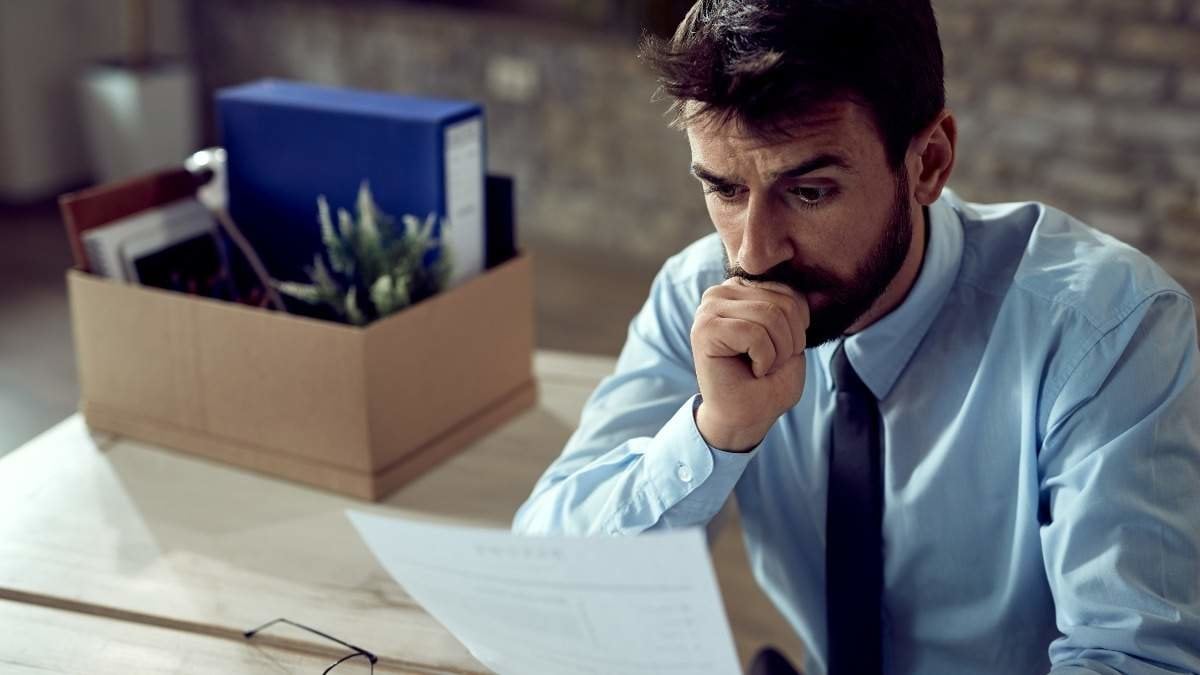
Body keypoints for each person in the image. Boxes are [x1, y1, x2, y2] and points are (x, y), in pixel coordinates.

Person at [512, 1, 1200, 673]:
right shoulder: (698, 296)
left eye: (809, 192)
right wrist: (713, 433)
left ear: (928, 162)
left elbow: (1135, 657)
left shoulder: (1109, 329)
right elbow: (549, 578)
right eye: (724, 191)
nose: (754, 253)